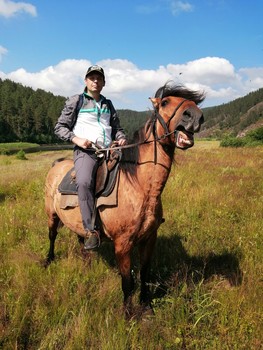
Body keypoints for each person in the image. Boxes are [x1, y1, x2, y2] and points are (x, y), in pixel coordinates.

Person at [54, 65, 127, 250]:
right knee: (85, 182)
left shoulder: (108, 104)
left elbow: (117, 129)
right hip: (87, 152)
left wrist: (121, 138)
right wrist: (77, 139)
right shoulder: (76, 101)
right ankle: (90, 231)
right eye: (92, 78)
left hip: (110, 150)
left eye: (99, 78)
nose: (95, 81)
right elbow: (60, 127)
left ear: (103, 83)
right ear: (85, 81)